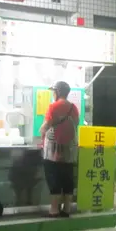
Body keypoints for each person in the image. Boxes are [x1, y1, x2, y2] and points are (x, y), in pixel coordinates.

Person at [40, 81, 79, 218]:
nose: (53, 94)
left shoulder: (53, 107)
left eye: (54, 92)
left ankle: (54, 209)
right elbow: (76, 124)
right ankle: (67, 209)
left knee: (54, 178)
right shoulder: (73, 108)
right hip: (70, 150)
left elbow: (45, 127)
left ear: (57, 92)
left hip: (53, 151)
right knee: (67, 179)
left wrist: (42, 132)